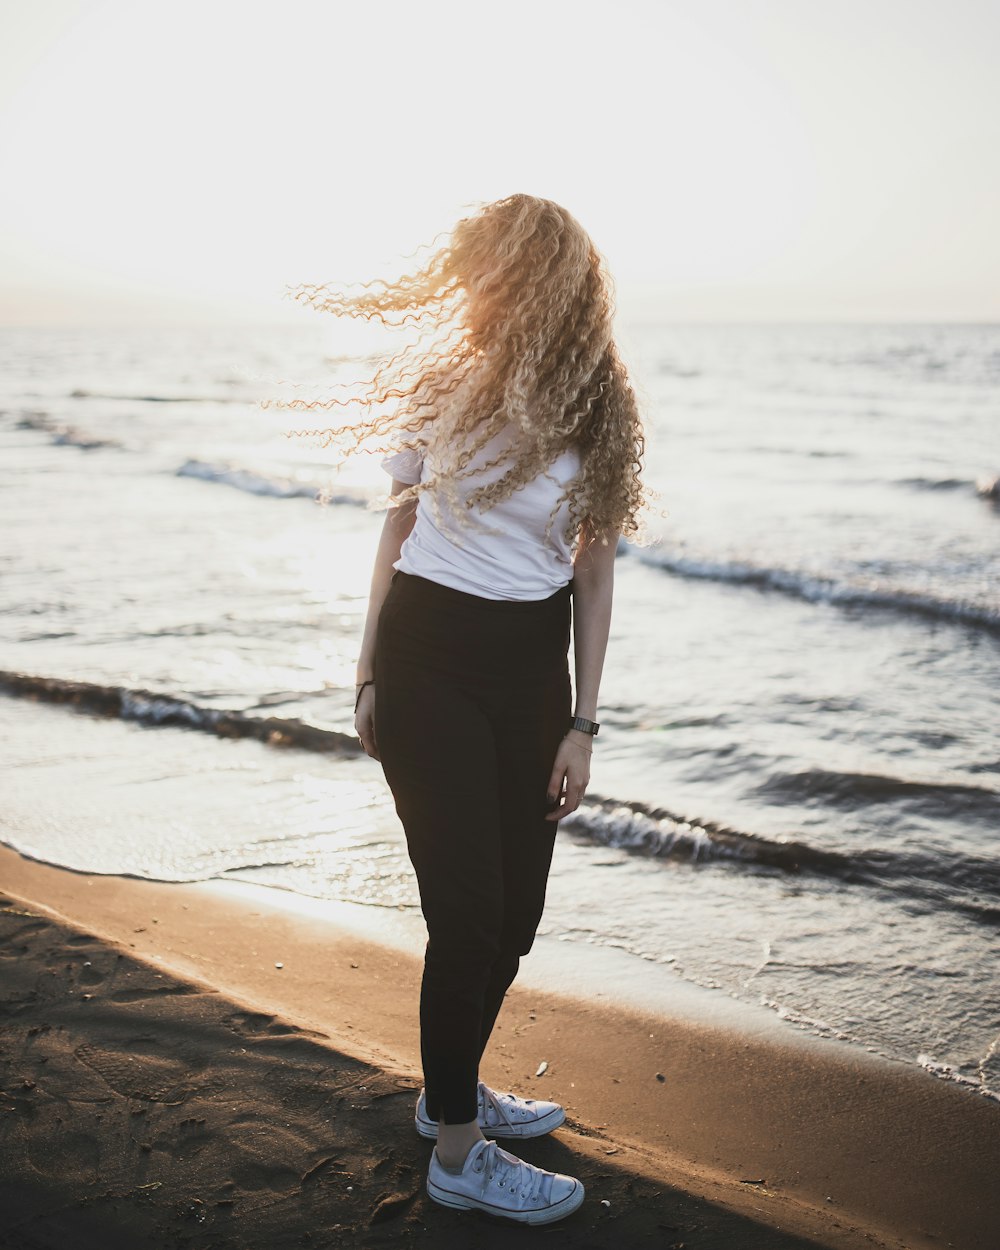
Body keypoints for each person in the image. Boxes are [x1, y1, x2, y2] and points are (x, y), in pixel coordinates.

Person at [287, 193, 648, 1225]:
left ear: (549, 282)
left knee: (517, 917)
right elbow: (396, 528)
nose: (485, 286)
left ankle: (452, 1087)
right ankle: (456, 1147)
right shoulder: (442, 382)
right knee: (468, 911)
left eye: (502, 267)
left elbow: (593, 570)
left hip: (529, 672)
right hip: (428, 655)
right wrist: (364, 670)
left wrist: (583, 720)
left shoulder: (599, 403)